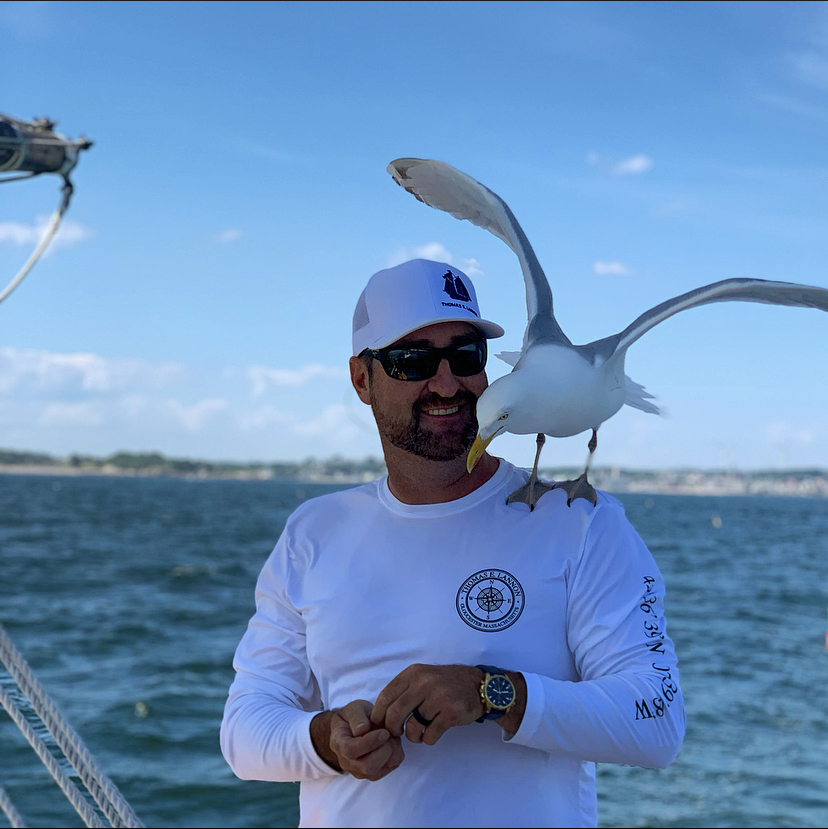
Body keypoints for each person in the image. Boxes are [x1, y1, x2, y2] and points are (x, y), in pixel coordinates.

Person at [220, 258, 686, 828]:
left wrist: (495, 694)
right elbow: (245, 728)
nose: (446, 384)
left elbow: (657, 722)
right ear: (362, 380)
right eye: (413, 360)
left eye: (465, 357)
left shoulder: (580, 523)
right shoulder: (312, 534)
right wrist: (323, 738)